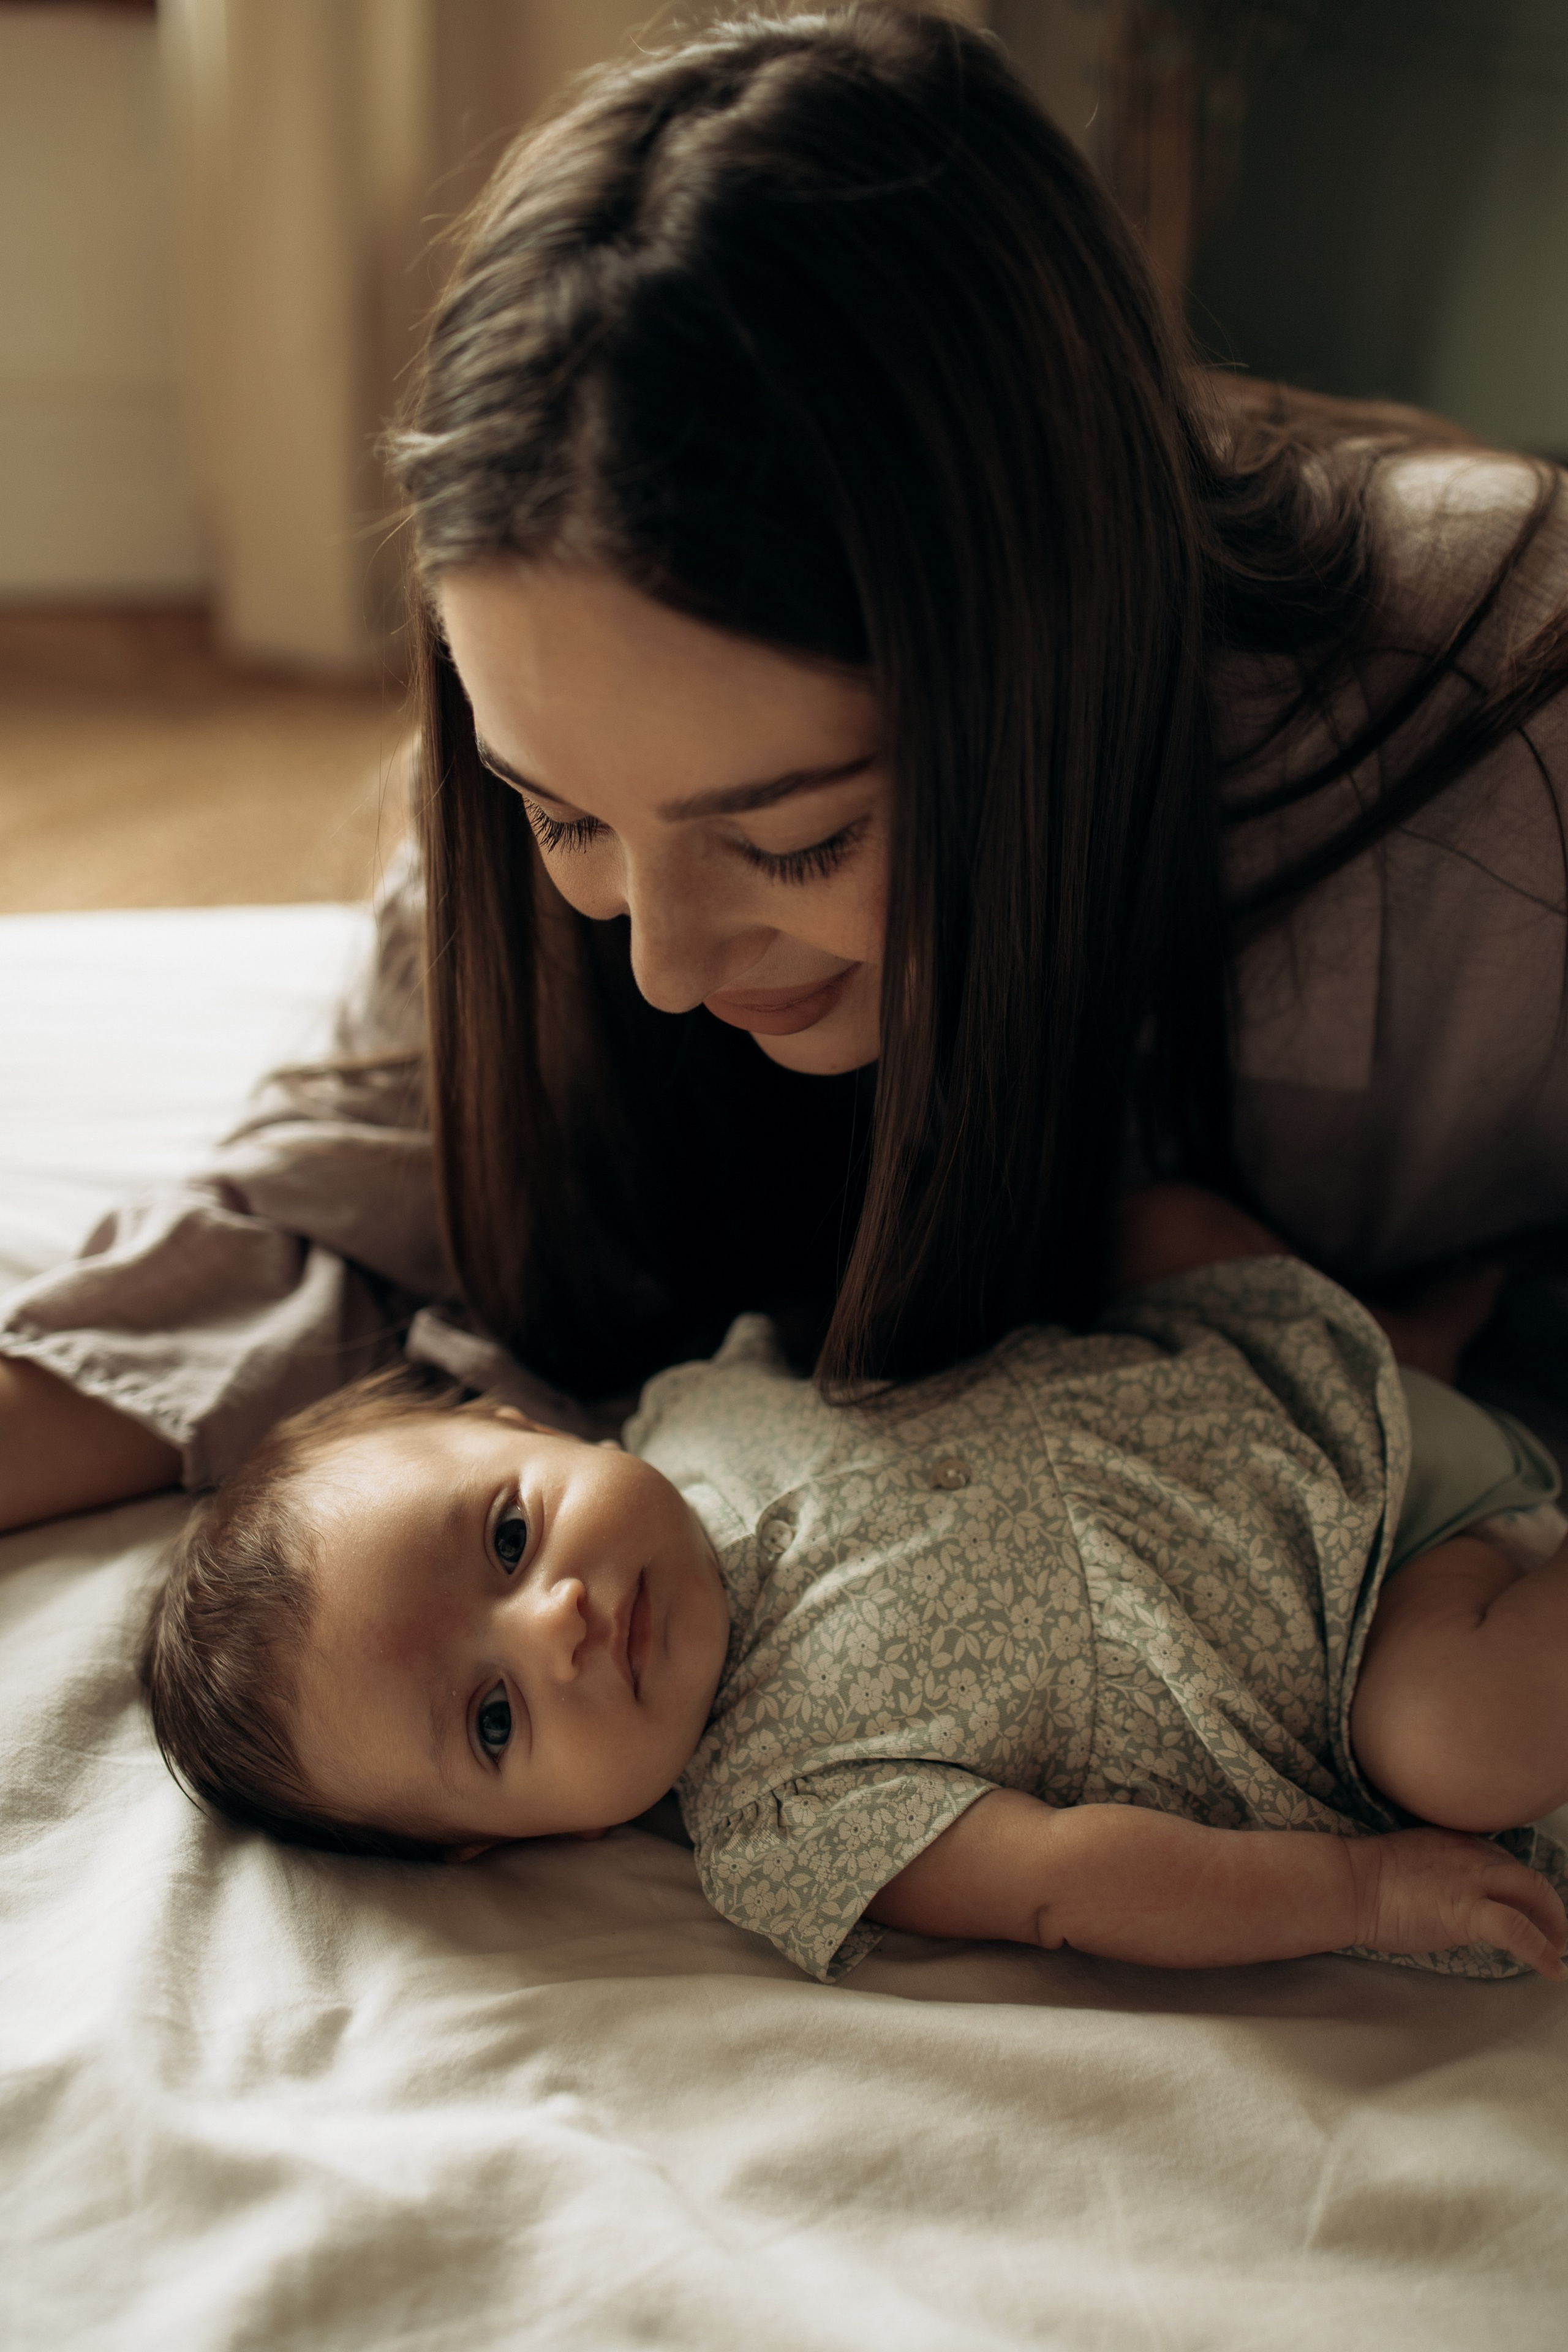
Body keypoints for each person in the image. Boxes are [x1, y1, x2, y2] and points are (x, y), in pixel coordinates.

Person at [5, 4, 1568, 1531]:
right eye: (561, 816)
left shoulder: (1504, 733)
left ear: (1036, 667)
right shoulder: (594, 700)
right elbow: (343, 1209)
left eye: (798, 843)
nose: (666, 966)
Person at [140, 1183, 1568, 1986]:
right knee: (1459, 1738)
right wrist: (1360, 1889)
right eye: (495, 1721)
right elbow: (1071, 1885)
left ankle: (1413, 1335)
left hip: (1286, 1391)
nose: (558, 1624)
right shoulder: (791, 1818)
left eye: (508, 1542)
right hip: (1383, 1623)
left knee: (1143, 1219)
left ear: (524, 1429)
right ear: (490, 1844)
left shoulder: (702, 1396)